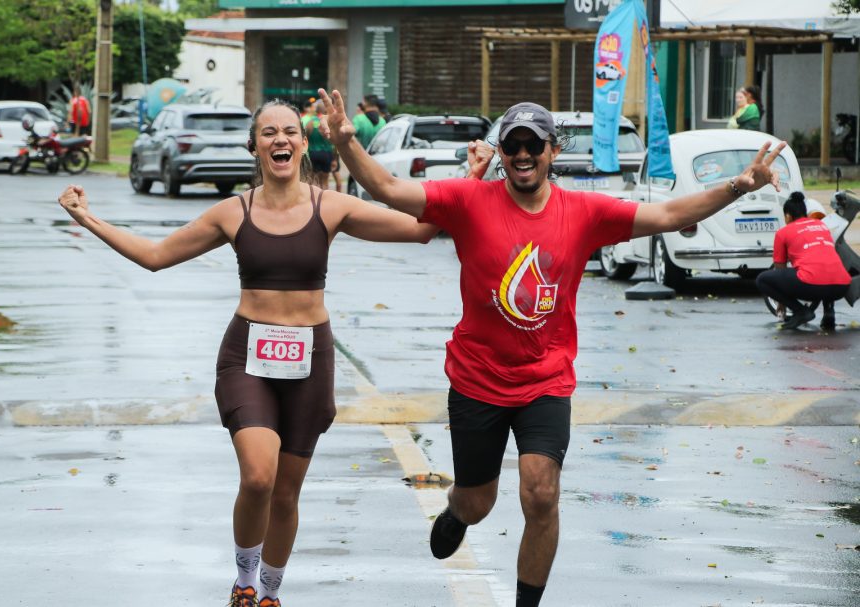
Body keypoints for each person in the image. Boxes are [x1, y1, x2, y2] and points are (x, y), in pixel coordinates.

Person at [317, 89, 785, 607]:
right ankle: (457, 512)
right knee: (479, 502)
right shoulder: (467, 200)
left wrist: (737, 187)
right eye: (512, 144)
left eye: (533, 145)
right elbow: (384, 187)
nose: (522, 154)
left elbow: (670, 215)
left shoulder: (583, 212)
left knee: (541, 493)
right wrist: (344, 143)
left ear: (552, 152)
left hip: (545, 380)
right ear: (501, 151)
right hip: (476, 379)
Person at [57, 99, 439, 607]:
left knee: (286, 493)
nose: (280, 140)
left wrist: (472, 180)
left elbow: (421, 230)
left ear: (304, 144)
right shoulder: (231, 213)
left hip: (310, 362)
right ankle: (243, 579)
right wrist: (87, 218)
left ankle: (269, 593)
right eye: (268, 133)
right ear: (254, 146)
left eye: (289, 132)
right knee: (259, 476)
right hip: (247, 358)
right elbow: (154, 257)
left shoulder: (332, 206)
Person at [756, 192, 851, 331]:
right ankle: (829, 313)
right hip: (841, 287)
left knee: (762, 280)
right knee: (825, 266)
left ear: (788, 216)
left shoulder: (783, 232)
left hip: (812, 285)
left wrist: (781, 302)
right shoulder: (821, 225)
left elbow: (780, 269)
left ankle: (801, 312)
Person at [302, 100, 335, 189]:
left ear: (316, 110)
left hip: (313, 153)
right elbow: (334, 142)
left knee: (313, 180)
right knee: (325, 181)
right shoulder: (330, 123)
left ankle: (313, 200)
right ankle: (324, 201)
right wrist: (334, 158)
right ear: (325, 111)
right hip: (327, 153)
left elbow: (305, 139)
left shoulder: (310, 123)